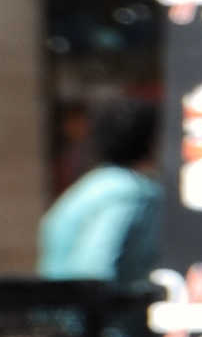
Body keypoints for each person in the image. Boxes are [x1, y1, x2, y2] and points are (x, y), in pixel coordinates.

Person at [36, 97, 160, 290]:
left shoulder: (90, 186)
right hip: (97, 316)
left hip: (63, 312)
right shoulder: (129, 193)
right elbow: (94, 270)